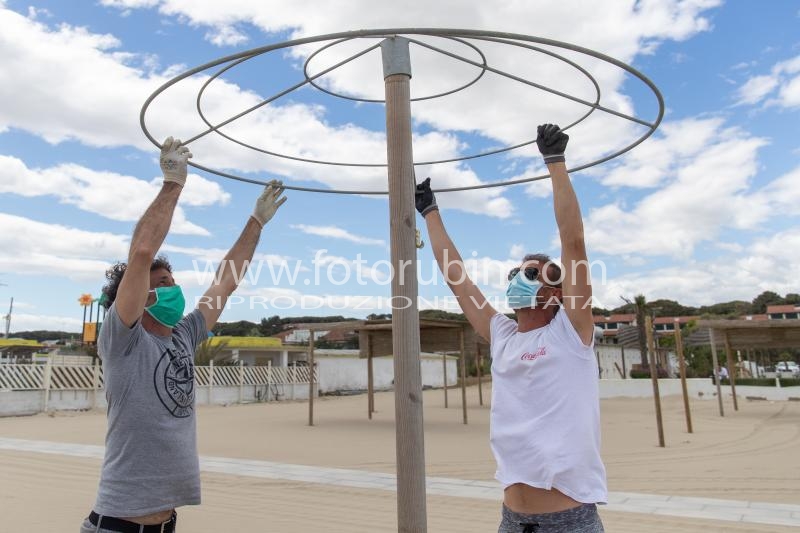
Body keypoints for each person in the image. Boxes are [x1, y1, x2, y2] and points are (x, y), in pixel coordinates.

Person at [81, 137, 287, 533]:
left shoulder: (182, 335)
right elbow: (141, 253)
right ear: (140, 296)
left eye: (173, 279)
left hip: (165, 524)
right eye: (162, 283)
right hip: (118, 526)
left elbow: (225, 283)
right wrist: (173, 183)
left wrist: (256, 222)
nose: (174, 288)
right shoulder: (124, 341)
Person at [416, 124, 606, 532]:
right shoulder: (501, 335)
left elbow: (573, 242)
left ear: (556, 292)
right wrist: (430, 211)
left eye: (534, 273)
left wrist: (554, 162)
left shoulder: (570, 333)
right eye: (517, 271)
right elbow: (457, 278)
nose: (521, 277)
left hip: (568, 522)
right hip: (512, 520)